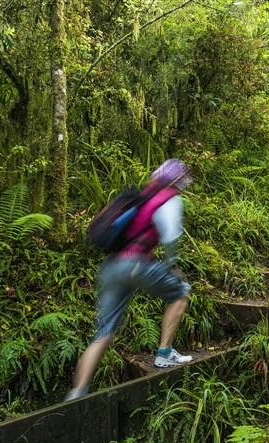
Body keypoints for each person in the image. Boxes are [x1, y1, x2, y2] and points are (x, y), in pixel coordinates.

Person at [65, 158, 194, 401]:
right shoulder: (168, 199)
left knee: (103, 332)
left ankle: (77, 393)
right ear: (177, 180)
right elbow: (169, 241)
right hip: (136, 265)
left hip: (112, 267)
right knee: (181, 292)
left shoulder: (142, 197)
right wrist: (171, 267)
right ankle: (164, 353)